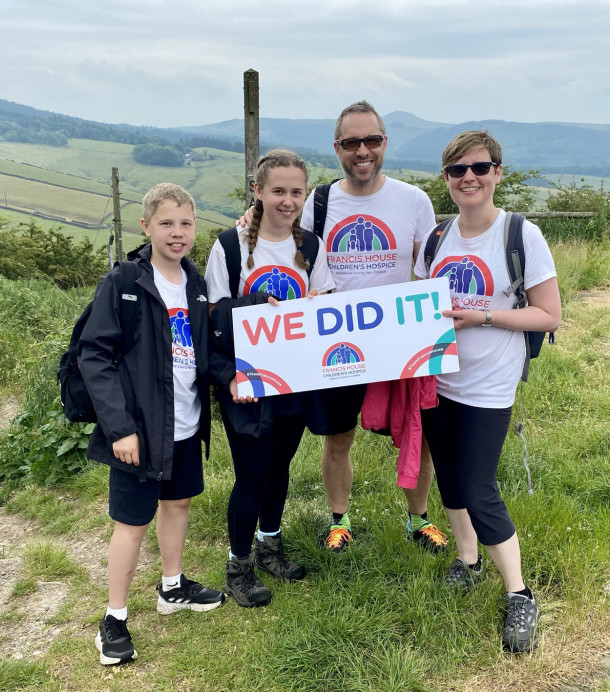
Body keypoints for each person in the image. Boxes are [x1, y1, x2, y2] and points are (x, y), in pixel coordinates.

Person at [413, 131, 561, 653]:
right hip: (438, 380)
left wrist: (481, 316)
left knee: (479, 488)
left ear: (498, 172)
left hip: (488, 387)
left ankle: (520, 593)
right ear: (447, 179)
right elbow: (416, 307)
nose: (468, 178)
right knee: (450, 480)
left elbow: (549, 314)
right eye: (457, 170)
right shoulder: (436, 239)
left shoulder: (521, 235)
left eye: (479, 167)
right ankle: (467, 558)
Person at [80, 183, 224, 666]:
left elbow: (203, 354)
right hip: (138, 431)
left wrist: (240, 378)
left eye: (185, 223)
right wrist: (119, 428)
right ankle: (113, 619)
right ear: (146, 227)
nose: (177, 233)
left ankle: (172, 587)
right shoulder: (126, 283)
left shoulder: (197, 283)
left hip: (184, 424)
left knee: (178, 502)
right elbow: (94, 356)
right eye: (166, 223)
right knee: (132, 523)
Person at [301, 101, 447, 553]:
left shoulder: (413, 200)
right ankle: (339, 521)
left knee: (415, 433)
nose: (362, 151)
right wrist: (249, 223)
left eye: (372, 140)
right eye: (351, 142)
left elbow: (431, 269)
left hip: (397, 340)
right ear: (337, 148)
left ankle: (418, 520)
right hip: (337, 342)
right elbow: (291, 251)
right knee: (338, 436)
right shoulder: (319, 202)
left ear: (385, 143)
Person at [206, 150, 335, 607]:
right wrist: (257, 303)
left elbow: (326, 312)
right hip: (247, 385)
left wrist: (320, 302)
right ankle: (238, 565)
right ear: (257, 191)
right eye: (278, 191)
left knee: (279, 467)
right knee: (252, 474)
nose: (288, 200)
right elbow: (212, 318)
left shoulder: (313, 246)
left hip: (295, 379)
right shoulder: (230, 245)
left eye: (296, 192)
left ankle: (269, 545)